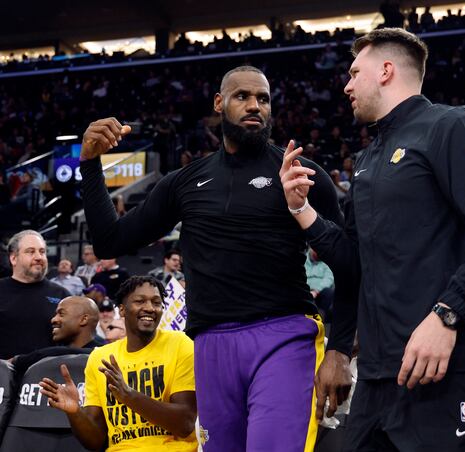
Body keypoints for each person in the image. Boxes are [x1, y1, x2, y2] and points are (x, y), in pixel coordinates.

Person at [280, 27, 465, 451]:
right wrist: (301, 211)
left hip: (452, 367)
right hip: (380, 375)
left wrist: (447, 315)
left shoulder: (449, 127)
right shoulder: (368, 158)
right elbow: (354, 263)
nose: (346, 85)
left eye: (355, 72)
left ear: (386, 71)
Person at [78, 65, 345, 452]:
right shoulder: (185, 181)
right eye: (242, 97)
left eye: (264, 99)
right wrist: (90, 165)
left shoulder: (300, 173)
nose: (254, 106)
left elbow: (351, 265)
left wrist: (339, 348)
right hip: (211, 344)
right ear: (219, 104)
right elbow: (109, 240)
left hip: (284, 335)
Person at [39, 276, 198, 451]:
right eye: (140, 301)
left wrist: (130, 396)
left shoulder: (180, 344)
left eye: (156, 302)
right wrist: (75, 412)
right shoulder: (100, 357)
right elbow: (96, 441)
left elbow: (185, 424)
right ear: (122, 310)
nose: (150, 308)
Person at [0, 230, 70, 360]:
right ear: (13, 258)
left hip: (47, 376)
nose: (39, 257)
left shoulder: (62, 295)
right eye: (30, 251)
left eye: (42, 252)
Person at [12, 295, 104, 378]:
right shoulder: (53, 354)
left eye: (61, 314)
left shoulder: (104, 355)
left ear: (83, 319)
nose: (53, 319)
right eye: (55, 314)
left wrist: (18, 360)